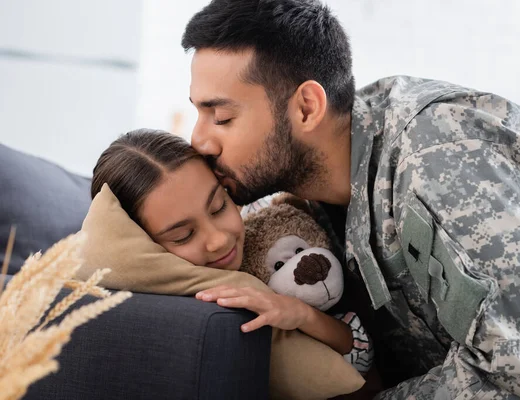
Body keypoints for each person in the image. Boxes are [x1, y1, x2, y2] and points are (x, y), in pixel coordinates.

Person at [180, 0, 520, 398]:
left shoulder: (438, 157)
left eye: (222, 117)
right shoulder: (304, 199)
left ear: (307, 108)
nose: (199, 140)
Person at [90, 128, 374, 377]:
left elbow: (365, 360)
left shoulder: (267, 225)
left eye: (219, 207)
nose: (218, 240)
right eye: (183, 235)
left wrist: (303, 315)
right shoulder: (151, 297)